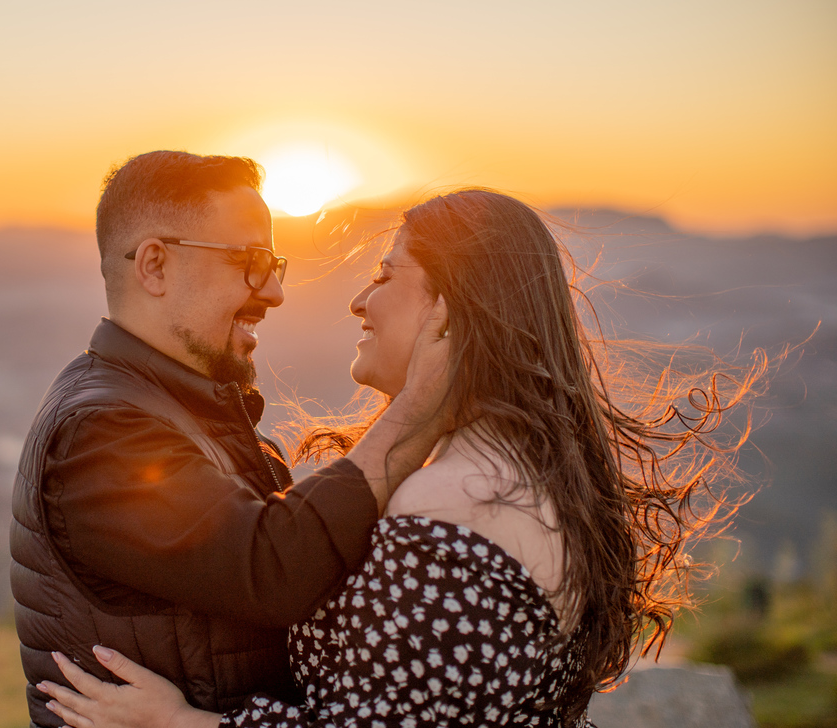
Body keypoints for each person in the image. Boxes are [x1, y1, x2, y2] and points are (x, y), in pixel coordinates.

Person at [40, 189, 766, 727]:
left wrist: (178, 725)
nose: (359, 300)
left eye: (387, 276)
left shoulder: (458, 501)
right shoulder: (516, 472)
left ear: (448, 311)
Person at [11, 151, 451, 727]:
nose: (273, 292)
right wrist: (421, 409)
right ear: (154, 266)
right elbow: (275, 569)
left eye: (274, 264)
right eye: (249, 261)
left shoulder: (174, 407)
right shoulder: (100, 433)